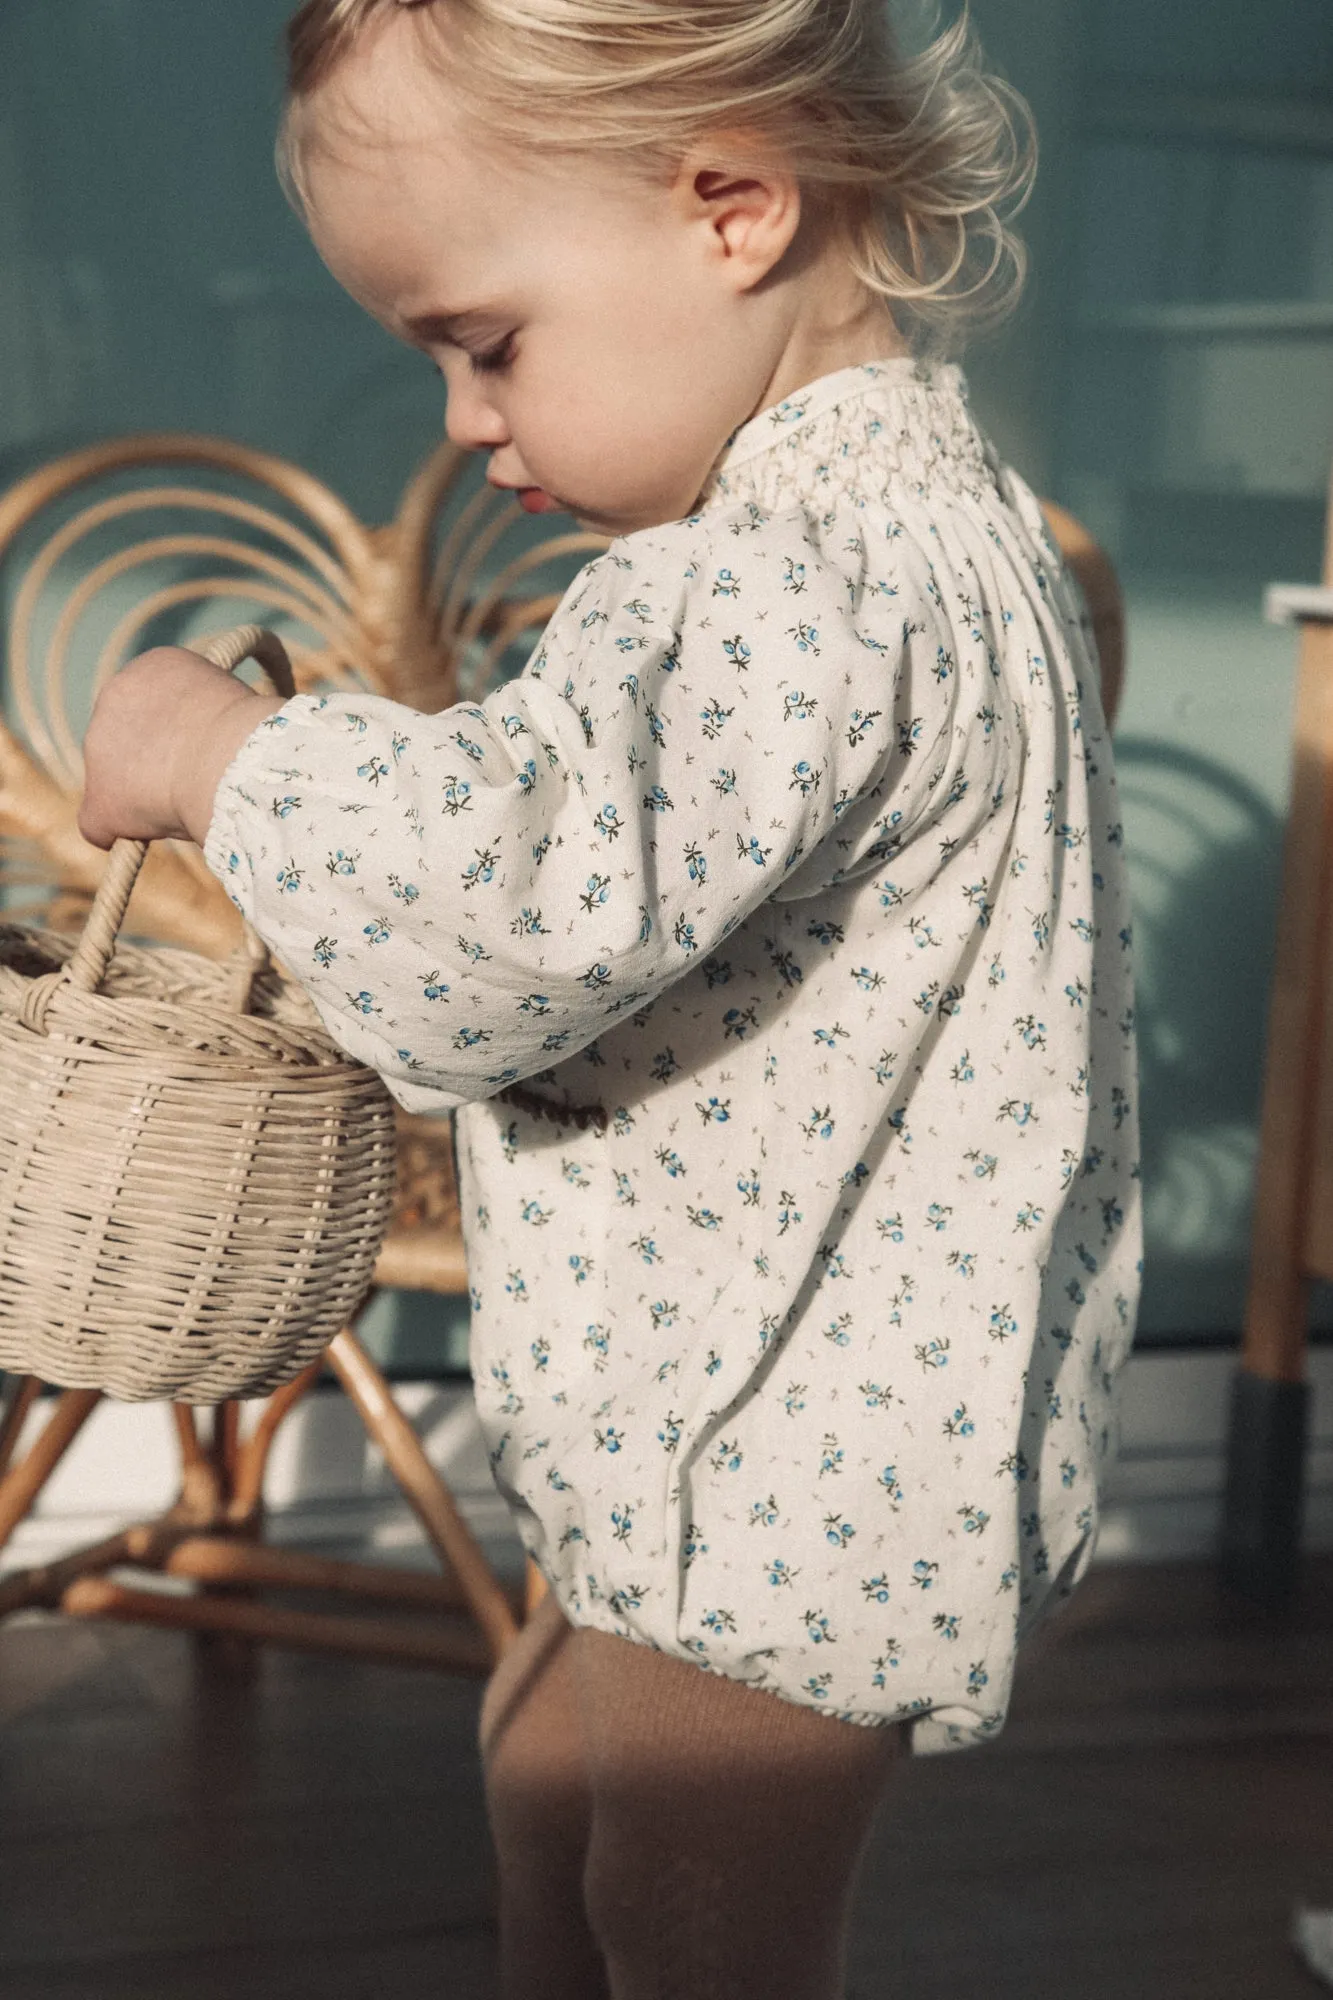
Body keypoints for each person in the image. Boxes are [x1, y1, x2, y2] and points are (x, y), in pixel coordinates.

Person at [79, 2, 1142, 1993]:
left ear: (730, 205)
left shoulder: (775, 579)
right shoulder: (941, 535)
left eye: (486, 342)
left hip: (782, 1470)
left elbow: (512, 901)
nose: (470, 423)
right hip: (775, 1431)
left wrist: (233, 762)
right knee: (546, 1778)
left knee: (687, 1911)